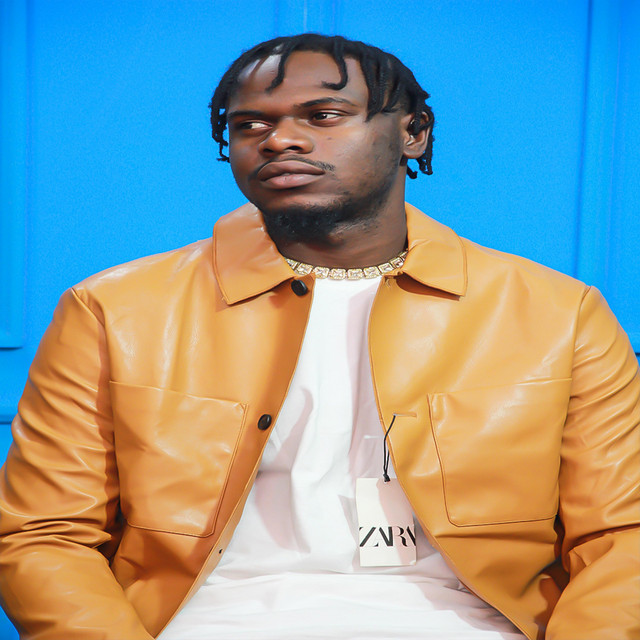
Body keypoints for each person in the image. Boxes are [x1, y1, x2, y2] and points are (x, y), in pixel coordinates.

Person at [0, 33, 638, 640]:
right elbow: (43, 534)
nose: (280, 139)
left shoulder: (557, 313)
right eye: (250, 124)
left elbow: (622, 535)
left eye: (324, 115)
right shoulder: (115, 310)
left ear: (413, 133)